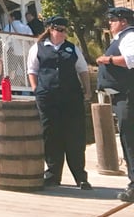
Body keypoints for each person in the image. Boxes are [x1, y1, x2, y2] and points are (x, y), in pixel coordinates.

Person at [28, 15, 91, 189]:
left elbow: (83, 69)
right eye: (60, 30)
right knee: (51, 135)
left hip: (71, 98)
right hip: (48, 97)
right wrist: (36, 89)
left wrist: (87, 90)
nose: (63, 34)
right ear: (51, 30)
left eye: (65, 31)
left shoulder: (72, 48)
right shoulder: (38, 48)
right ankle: (53, 175)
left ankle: (80, 176)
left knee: (75, 136)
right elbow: (32, 70)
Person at [96, 6, 134, 202]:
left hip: (128, 96)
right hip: (122, 96)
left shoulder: (129, 36)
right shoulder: (122, 38)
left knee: (130, 140)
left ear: (123, 21)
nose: (109, 23)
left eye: (112, 19)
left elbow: (131, 60)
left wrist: (108, 59)